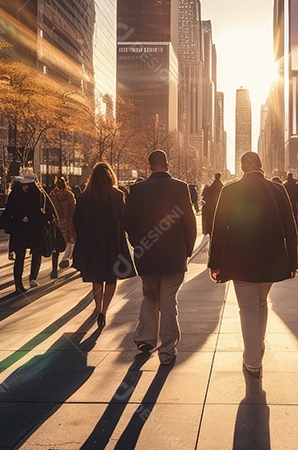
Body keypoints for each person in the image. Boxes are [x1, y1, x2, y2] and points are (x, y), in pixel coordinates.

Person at [209, 151, 298, 378]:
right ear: (261, 166)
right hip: (271, 258)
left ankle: (253, 360)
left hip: (240, 259)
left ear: (242, 167)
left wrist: (215, 263)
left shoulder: (230, 190)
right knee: (260, 303)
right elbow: (290, 226)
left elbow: (219, 228)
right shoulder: (278, 190)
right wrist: (292, 261)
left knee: (247, 307)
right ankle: (257, 346)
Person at [123, 151, 197, 364]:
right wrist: (187, 249)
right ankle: (166, 349)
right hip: (174, 254)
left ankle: (145, 337)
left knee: (149, 295)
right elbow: (189, 222)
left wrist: (139, 243)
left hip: (147, 254)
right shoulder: (180, 187)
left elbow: (126, 222)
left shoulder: (136, 190)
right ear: (167, 163)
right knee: (168, 300)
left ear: (149, 166)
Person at [73, 162, 133, 327]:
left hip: (92, 243)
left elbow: (76, 221)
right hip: (113, 242)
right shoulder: (117, 195)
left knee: (96, 277)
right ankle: (104, 310)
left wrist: (83, 237)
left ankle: (98, 306)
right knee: (111, 277)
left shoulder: (84, 197)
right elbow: (124, 218)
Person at [0, 170, 55, 292]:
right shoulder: (15, 194)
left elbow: (45, 210)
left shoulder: (38, 194)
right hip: (20, 229)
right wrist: (20, 216)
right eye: (23, 185)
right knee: (20, 256)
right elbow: (10, 210)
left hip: (34, 228)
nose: (25, 187)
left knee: (36, 252)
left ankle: (33, 277)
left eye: (27, 185)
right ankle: (18, 284)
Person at [48, 178, 77, 278]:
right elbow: (72, 209)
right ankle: (66, 258)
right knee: (70, 241)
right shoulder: (69, 195)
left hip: (56, 222)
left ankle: (54, 270)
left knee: (56, 246)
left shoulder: (52, 195)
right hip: (67, 221)